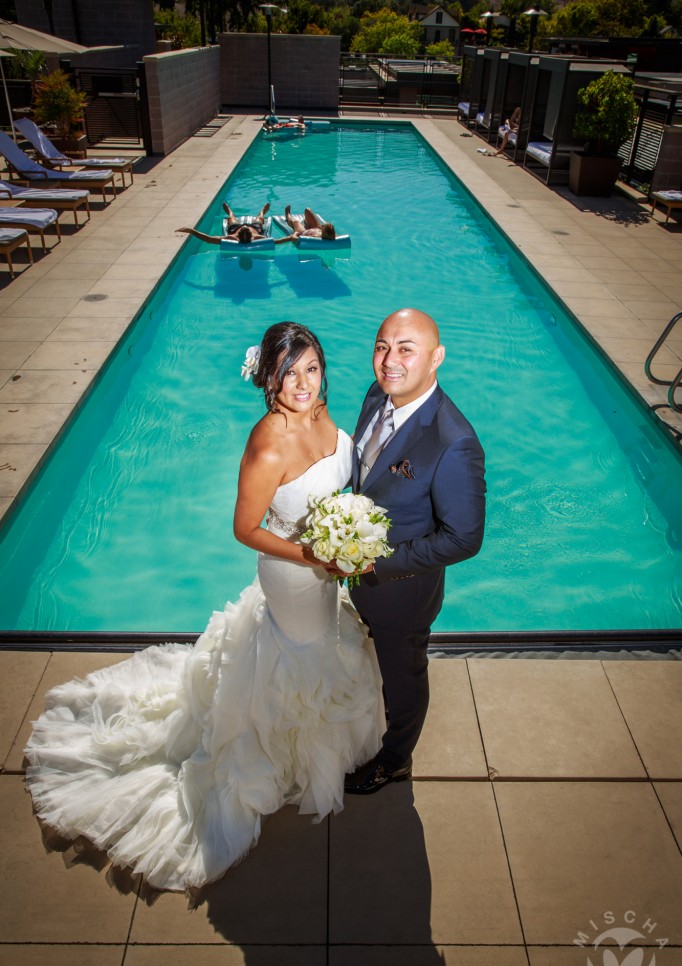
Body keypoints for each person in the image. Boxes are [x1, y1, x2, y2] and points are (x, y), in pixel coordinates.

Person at [24, 322, 384, 892]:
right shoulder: (267, 444)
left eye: (311, 368)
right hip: (293, 574)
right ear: (269, 377)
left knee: (319, 651)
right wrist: (315, 553)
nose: (302, 384)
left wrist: (346, 538)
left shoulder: (323, 417)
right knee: (299, 659)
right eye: (288, 372)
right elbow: (245, 528)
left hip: (324, 568)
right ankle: (274, 756)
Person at [340, 308, 486, 795]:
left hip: (402, 594)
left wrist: (375, 564)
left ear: (436, 357)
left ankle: (396, 759)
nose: (390, 360)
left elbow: (464, 538)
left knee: (403, 680)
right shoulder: (375, 394)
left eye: (407, 349)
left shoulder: (454, 441)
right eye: (382, 346)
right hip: (358, 579)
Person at [176, 201, 289, 246]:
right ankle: (262, 211)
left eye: (245, 227)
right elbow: (277, 241)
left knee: (232, 218)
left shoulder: (232, 237)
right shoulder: (257, 237)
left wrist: (192, 231)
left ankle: (230, 211)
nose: (245, 225)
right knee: (259, 219)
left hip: (235, 228)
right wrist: (291, 237)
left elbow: (209, 239)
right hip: (255, 227)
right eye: (245, 227)